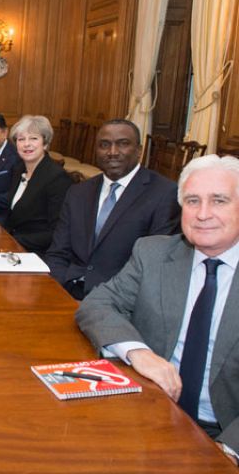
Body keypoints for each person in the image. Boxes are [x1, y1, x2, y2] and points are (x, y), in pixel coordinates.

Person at [76, 154, 239, 464]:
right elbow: (97, 304)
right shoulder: (153, 253)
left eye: (219, 201)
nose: (203, 214)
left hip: (226, 433)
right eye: (192, 201)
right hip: (150, 412)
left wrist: (228, 451)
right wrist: (139, 353)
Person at [45, 119, 180, 299]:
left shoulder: (164, 194)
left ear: (139, 151)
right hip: (69, 290)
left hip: (120, 301)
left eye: (123, 144)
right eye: (104, 145)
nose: (112, 152)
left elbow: (154, 267)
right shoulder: (78, 192)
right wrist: (58, 292)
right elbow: (57, 252)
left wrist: (103, 304)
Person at [2, 115, 72, 256]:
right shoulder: (19, 169)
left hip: (38, 253)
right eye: (21, 139)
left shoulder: (57, 177)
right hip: (13, 247)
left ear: (45, 144)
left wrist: (11, 241)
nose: (26, 144)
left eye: (33, 138)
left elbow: (57, 231)